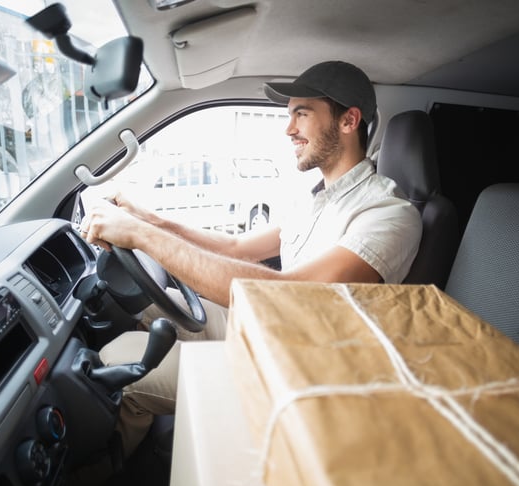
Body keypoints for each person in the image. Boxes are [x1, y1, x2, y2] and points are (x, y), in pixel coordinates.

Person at [79, 60, 423, 461]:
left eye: (302, 114)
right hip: (267, 331)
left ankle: (95, 473)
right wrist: (147, 218)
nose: (289, 128)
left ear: (349, 121)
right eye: (289, 114)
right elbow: (237, 248)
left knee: (118, 358)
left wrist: (140, 235)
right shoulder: (316, 198)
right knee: (147, 303)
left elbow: (292, 294)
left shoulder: (388, 213)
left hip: (295, 371)